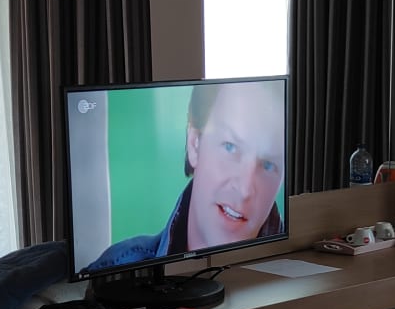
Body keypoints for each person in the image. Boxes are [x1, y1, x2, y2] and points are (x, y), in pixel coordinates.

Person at [85, 80, 285, 272]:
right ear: (194, 143)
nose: (245, 189)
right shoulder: (115, 269)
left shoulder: (292, 278)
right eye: (230, 147)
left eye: (268, 164)